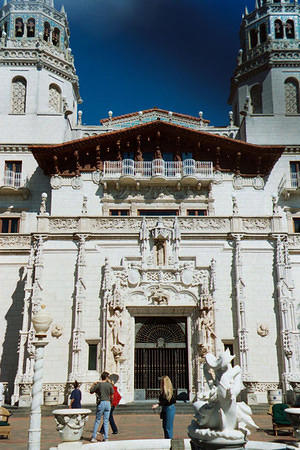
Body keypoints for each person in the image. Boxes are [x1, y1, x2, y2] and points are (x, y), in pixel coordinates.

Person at [90, 371, 114, 443]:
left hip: (101, 403)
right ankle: (106, 437)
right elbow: (112, 395)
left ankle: (94, 437)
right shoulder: (109, 385)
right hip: (108, 403)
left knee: (97, 420)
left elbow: (91, 391)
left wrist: (93, 384)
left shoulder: (99, 384)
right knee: (106, 421)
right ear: (106, 377)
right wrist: (111, 402)